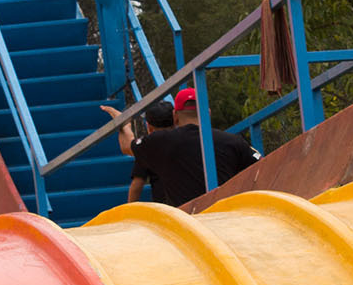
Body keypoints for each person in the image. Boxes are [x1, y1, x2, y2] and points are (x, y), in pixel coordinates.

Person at [103, 87, 261, 208]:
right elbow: (261, 165)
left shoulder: (159, 142)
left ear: (175, 116)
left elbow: (126, 146)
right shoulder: (233, 141)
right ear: (208, 113)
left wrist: (123, 122)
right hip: (225, 217)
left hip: (186, 226)